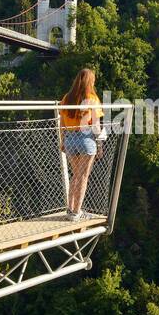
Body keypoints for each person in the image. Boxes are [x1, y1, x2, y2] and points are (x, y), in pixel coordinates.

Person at [59, 68, 103, 221]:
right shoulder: (92, 98)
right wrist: (99, 145)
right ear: (90, 81)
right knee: (83, 177)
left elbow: (62, 123)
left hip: (70, 139)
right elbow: (96, 126)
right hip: (86, 139)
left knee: (75, 175)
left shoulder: (66, 98)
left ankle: (70, 210)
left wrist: (62, 140)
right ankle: (77, 212)